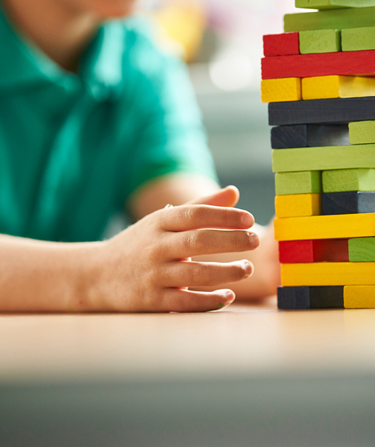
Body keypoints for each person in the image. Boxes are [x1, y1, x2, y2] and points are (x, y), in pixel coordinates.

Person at [0, 0, 280, 312]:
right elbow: (114, 271)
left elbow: (187, 221)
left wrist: (275, 255)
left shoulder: (139, 56)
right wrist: (98, 273)